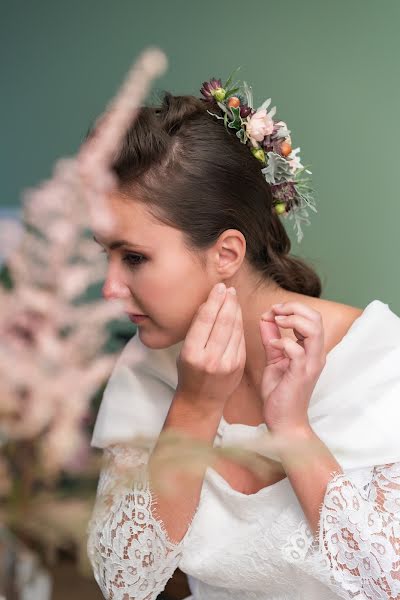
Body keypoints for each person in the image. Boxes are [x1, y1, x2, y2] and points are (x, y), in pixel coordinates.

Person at [86, 75, 400, 600]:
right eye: (107, 256)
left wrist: (292, 429)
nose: (111, 288)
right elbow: (124, 582)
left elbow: (388, 583)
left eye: (134, 257)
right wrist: (193, 406)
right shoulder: (147, 366)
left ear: (226, 254)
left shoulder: (379, 359)